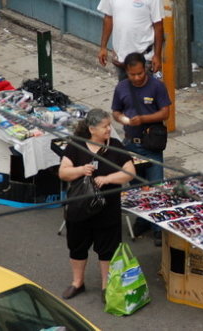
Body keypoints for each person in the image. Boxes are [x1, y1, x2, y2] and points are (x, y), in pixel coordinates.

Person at [58, 109, 135, 303]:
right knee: (77, 247)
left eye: (109, 125)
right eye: (105, 126)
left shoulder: (115, 147)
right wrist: (81, 170)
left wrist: (108, 178)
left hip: (107, 210)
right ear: (92, 129)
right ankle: (77, 282)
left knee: (106, 249)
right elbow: (63, 173)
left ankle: (106, 285)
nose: (109, 129)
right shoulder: (76, 146)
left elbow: (130, 172)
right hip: (80, 209)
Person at [111, 52, 171, 246]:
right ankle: (141, 220)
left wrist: (144, 119)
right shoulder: (121, 87)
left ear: (145, 69)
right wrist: (122, 118)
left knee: (155, 186)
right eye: (132, 74)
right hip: (130, 143)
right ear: (126, 72)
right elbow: (116, 111)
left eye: (139, 74)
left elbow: (165, 112)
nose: (136, 78)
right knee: (136, 187)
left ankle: (157, 228)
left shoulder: (157, 86)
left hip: (151, 145)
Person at [97, 0, 163, 81]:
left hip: (144, 58)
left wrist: (157, 56)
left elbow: (158, 27)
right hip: (121, 58)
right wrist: (103, 47)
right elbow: (108, 19)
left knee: (143, 96)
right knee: (125, 95)